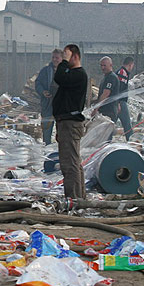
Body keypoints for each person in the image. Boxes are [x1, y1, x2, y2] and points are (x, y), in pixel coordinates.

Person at [53, 44, 88, 199]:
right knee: (73, 162)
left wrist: (64, 62)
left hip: (70, 123)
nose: (63, 59)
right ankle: (79, 198)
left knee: (69, 164)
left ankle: (73, 199)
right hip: (65, 122)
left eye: (67, 55)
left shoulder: (78, 74)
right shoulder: (72, 74)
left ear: (75, 56)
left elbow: (59, 77)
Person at [35, 49, 63, 144]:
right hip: (48, 104)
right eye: (53, 57)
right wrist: (43, 92)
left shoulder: (67, 71)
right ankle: (46, 149)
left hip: (61, 106)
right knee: (46, 129)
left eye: (57, 58)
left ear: (62, 59)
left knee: (62, 131)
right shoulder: (45, 71)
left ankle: (61, 152)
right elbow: (38, 83)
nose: (55, 59)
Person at [92, 56, 119, 122]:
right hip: (106, 110)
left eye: (104, 65)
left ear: (110, 65)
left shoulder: (111, 77)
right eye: (101, 65)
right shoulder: (106, 77)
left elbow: (105, 94)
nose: (102, 68)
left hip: (109, 111)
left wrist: (96, 109)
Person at [116, 57, 134, 141]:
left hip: (118, 102)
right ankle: (130, 140)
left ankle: (105, 140)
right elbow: (118, 88)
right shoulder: (122, 73)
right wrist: (118, 102)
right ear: (130, 65)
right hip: (120, 102)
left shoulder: (124, 72)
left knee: (112, 123)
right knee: (127, 124)